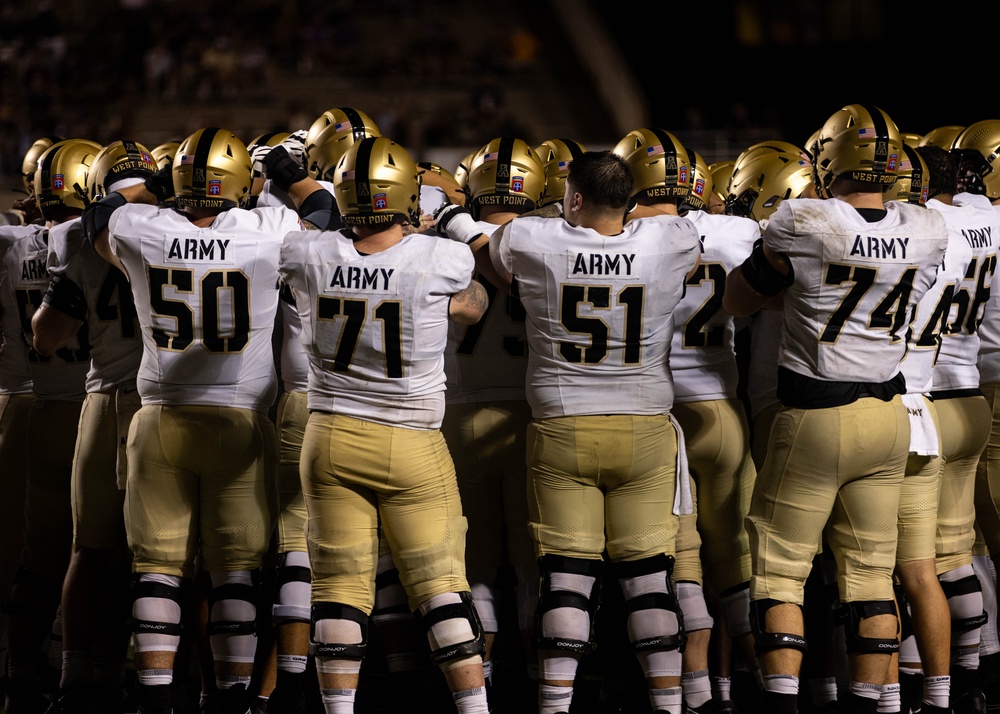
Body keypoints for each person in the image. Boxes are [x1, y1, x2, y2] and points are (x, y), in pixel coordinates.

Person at [82, 127, 329, 714]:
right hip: (240, 422)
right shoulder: (268, 231)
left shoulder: (143, 227)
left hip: (161, 418)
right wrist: (288, 175)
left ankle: (156, 700)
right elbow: (323, 215)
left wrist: (157, 190)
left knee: (158, 571)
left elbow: (100, 219)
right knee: (235, 572)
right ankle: (232, 698)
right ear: (243, 183)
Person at [447, 148, 702, 714]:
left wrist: (453, 215)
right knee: (648, 578)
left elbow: (489, 249)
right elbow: (683, 247)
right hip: (644, 427)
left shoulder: (538, 241)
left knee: (566, 577)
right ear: (629, 201)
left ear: (575, 199)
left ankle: (556, 705)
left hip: (564, 426)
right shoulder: (669, 240)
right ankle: (669, 704)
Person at [723, 103, 950, 714]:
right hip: (890, 415)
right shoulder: (926, 228)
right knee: (872, 576)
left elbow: (740, 301)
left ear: (829, 159)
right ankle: (871, 703)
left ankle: (781, 702)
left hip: (816, 419)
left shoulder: (804, 221)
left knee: (778, 571)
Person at [277, 136, 491, 714]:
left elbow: (316, 229)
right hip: (410, 438)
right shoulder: (441, 259)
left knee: (339, 591)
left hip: (329, 436)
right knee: (440, 589)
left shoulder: (305, 253)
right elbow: (473, 304)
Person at [32, 139, 158, 714]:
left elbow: (47, 335)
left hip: (103, 397)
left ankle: (75, 676)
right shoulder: (175, 226)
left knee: (89, 551)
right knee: (153, 559)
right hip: (162, 402)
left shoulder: (81, 237)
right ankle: (141, 674)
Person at [436, 135, 546, 711]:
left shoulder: (445, 239)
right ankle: (539, 681)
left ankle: (479, 684)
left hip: (460, 411)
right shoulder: (553, 238)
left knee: (473, 563)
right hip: (531, 414)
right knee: (534, 566)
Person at [2, 138, 98, 714]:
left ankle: (19, 674)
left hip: (35, 404)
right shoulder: (102, 244)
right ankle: (88, 672)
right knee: (96, 553)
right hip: (92, 408)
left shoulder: (12, 246)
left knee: (37, 559)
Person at [930, 120, 1000, 714]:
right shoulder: (983, 222)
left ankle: (935, 682)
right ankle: (978, 673)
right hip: (975, 387)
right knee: (962, 544)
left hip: (938, 392)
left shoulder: (927, 222)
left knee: (925, 555)